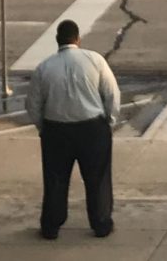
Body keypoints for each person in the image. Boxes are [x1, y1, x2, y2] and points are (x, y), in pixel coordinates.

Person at [25, 19, 120, 240]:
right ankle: (101, 223)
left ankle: (51, 226)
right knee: (97, 179)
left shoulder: (44, 67)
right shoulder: (95, 60)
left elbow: (33, 104)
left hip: (56, 130)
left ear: (57, 41)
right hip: (92, 128)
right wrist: (109, 122)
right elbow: (112, 94)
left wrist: (43, 127)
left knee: (56, 180)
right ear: (78, 39)